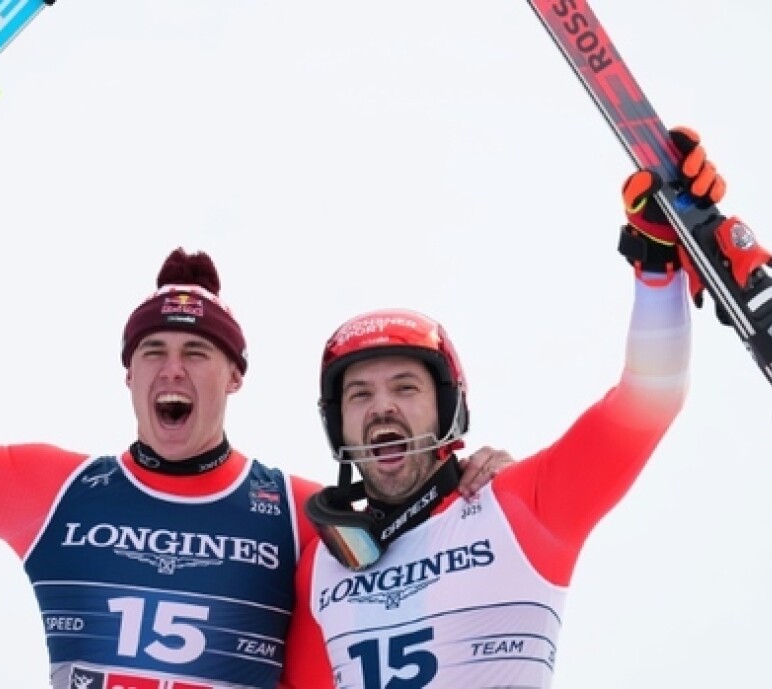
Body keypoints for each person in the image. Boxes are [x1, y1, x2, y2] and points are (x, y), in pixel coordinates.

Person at [0, 227, 514, 688]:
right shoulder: (62, 490)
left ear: (235, 376)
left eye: (196, 352)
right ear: (130, 374)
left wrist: (479, 486)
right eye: (153, 351)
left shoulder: (297, 513)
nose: (172, 369)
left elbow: (424, 551)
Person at [284, 127, 723, 687]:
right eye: (360, 394)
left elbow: (649, 398)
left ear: (448, 410)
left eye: (406, 387)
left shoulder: (519, 508)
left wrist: (658, 260)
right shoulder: (322, 565)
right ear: (337, 422)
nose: (382, 408)